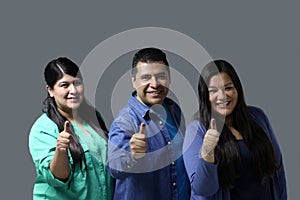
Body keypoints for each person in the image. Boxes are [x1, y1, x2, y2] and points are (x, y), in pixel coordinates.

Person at [183, 59, 287, 199]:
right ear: (205, 96)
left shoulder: (258, 117)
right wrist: (207, 153)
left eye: (228, 88)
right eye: (214, 91)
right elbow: (202, 190)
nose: (222, 96)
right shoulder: (197, 130)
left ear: (237, 89)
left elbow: (277, 170)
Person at [107, 47, 190, 200]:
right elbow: (114, 166)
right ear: (133, 81)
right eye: (146, 77)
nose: (155, 84)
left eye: (161, 76)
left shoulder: (173, 110)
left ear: (169, 78)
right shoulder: (125, 120)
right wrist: (132, 155)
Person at [29, 57, 114, 199]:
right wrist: (61, 151)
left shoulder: (93, 117)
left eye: (77, 83)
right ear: (50, 90)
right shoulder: (43, 128)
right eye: (64, 85)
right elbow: (56, 178)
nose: (73, 90)